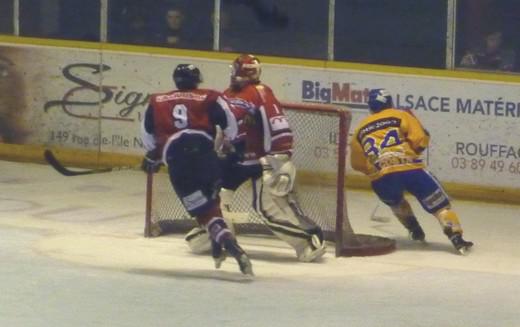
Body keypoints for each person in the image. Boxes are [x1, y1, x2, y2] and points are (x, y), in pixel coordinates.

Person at [185, 54, 326, 262]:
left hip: (258, 162)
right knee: (214, 201)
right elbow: (221, 128)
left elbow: (277, 123)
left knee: (266, 208)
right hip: (233, 160)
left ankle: (308, 241)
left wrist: (280, 157)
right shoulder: (227, 94)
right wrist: (214, 152)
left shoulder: (261, 93)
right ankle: (219, 233)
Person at [141, 64, 253, 276]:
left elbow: (148, 138)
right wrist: (235, 148)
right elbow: (231, 124)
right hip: (205, 157)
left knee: (205, 216)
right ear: (197, 79)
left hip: (178, 161)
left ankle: (233, 248)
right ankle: (217, 250)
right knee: (213, 204)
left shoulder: (156, 101)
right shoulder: (210, 96)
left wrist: (153, 157)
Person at [350, 89, 474, 255]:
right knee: (440, 207)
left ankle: (415, 231)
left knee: (397, 203)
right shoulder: (401, 114)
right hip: (411, 169)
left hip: (382, 178)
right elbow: (421, 139)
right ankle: (456, 237)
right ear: (390, 103)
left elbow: (357, 164)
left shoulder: (359, 129)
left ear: (370, 108)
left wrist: (377, 171)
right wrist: (410, 154)